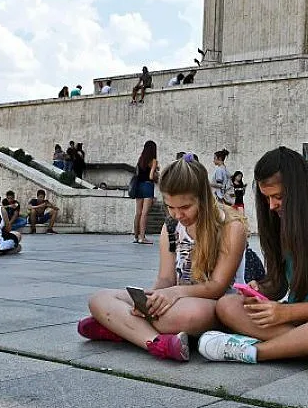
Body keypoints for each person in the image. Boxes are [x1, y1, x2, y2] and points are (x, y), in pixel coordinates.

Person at [197, 147, 308, 376]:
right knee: (228, 305)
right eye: (266, 198)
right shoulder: (280, 221)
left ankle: (255, 352)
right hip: (300, 321)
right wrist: (260, 292)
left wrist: (285, 314)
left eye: (279, 197)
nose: (272, 206)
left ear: (300, 192)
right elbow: (279, 285)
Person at [82, 154, 248, 362]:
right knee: (99, 299)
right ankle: (158, 342)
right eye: (171, 207)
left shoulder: (230, 227)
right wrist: (150, 302)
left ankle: (122, 328)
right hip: (176, 296)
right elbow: (166, 279)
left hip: (215, 304)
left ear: (203, 197)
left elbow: (217, 287)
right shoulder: (171, 226)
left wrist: (172, 294)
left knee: (187, 315)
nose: (177, 215)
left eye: (185, 207)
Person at [133, 140, 160, 244]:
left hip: (138, 186)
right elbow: (151, 176)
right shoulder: (153, 161)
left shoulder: (141, 160)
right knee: (145, 213)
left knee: (138, 213)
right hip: (147, 186)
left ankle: (136, 236)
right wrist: (156, 173)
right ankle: (142, 238)